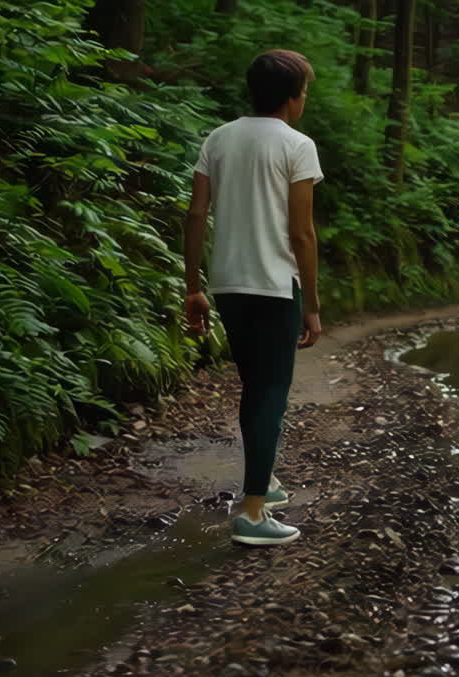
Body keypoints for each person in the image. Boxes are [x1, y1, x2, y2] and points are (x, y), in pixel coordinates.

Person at [183, 50, 324, 546]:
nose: (305, 98)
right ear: (291, 97)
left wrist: (193, 286)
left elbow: (196, 215)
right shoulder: (297, 145)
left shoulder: (218, 138)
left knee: (255, 388)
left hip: (227, 283)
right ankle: (252, 514)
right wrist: (311, 303)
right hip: (273, 285)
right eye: (305, 90)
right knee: (270, 395)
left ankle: (263, 483)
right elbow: (302, 233)